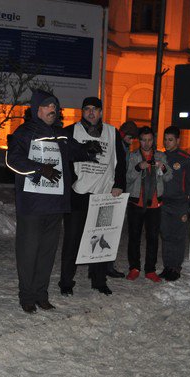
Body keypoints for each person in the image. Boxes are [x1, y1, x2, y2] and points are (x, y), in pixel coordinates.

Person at [6, 89, 101, 313]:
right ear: (37, 109)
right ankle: (27, 296)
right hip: (32, 205)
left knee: (48, 253)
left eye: (55, 106)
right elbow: (13, 161)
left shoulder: (61, 134)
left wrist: (88, 150)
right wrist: (40, 169)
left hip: (55, 205)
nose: (53, 110)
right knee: (29, 252)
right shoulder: (24, 133)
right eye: (48, 106)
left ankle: (41, 294)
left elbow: (74, 151)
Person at [59, 97, 127, 296]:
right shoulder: (71, 131)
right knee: (72, 240)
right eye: (87, 109)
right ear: (82, 112)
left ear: (101, 112)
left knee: (101, 239)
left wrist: (119, 185)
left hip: (103, 194)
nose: (91, 113)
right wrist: (70, 184)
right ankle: (66, 282)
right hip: (78, 194)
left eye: (95, 109)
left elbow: (120, 161)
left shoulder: (112, 132)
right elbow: (64, 161)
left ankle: (99, 280)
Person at [125, 126, 172, 283]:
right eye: (144, 140)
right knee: (134, 237)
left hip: (154, 205)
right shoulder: (133, 156)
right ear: (139, 140)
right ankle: (134, 268)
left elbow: (168, 177)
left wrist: (163, 167)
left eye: (149, 140)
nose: (146, 143)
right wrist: (139, 167)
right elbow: (127, 179)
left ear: (153, 140)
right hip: (136, 203)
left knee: (152, 238)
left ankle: (150, 270)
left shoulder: (160, 156)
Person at [103, 120, 140, 279]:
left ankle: (107, 264)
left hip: (117, 194)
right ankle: (104, 265)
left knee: (112, 230)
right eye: (130, 138)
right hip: (110, 193)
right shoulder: (116, 145)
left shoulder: (124, 147)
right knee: (106, 229)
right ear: (124, 134)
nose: (132, 142)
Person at [160, 126, 190, 281]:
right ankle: (168, 266)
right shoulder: (160, 157)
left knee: (178, 237)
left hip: (180, 204)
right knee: (166, 236)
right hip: (163, 204)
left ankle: (176, 267)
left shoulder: (185, 159)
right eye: (165, 139)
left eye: (170, 140)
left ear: (178, 140)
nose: (167, 142)